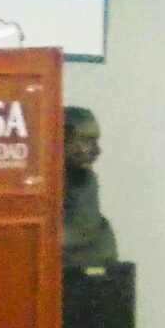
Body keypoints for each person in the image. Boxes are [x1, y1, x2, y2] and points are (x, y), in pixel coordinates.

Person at [63, 106, 119, 268]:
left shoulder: (85, 180)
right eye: (86, 140)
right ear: (61, 139)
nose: (97, 150)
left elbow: (81, 232)